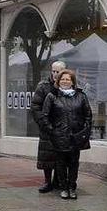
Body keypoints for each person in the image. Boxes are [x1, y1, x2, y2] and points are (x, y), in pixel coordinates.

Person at [41, 70, 92, 200]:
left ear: (73, 82)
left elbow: (88, 115)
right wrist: (52, 131)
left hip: (76, 136)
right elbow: (45, 117)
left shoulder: (81, 96)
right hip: (59, 136)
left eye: (68, 79)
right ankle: (63, 188)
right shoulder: (52, 96)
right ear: (58, 81)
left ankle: (72, 188)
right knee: (61, 163)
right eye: (62, 79)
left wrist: (84, 130)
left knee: (74, 163)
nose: (65, 81)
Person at [30, 61, 66, 193]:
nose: (55, 74)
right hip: (47, 127)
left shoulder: (67, 85)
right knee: (47, 155)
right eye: (53, 71)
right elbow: (35, 107)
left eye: (58, 71)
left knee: (61, 155)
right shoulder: (43, 86)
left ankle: (59, 180)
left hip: (62, 128)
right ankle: (47, 181)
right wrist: (44, 123)